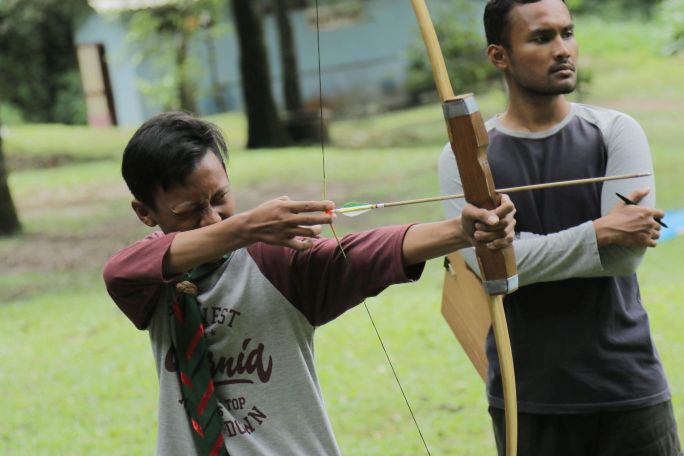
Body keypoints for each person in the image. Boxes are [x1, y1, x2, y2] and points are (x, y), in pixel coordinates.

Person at [103, 111, 516, 455]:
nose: (213, 218)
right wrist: (245, 226)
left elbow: (363, 251)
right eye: (190, 210)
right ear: (145, 212)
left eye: (220, 199)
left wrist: (462, 231)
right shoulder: (149, 277)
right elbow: (119, 271)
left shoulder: (274, 259)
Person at [438, 0, 681, 455]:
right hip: (526, 395)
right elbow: (491, 268)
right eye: (541, 38)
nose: (563, 49)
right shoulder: (466, 158)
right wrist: (601, 232)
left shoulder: (616, 131)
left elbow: (626, 256)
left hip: (627, 385)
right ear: (499, 56)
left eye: (567, 33)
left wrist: (525, 253)